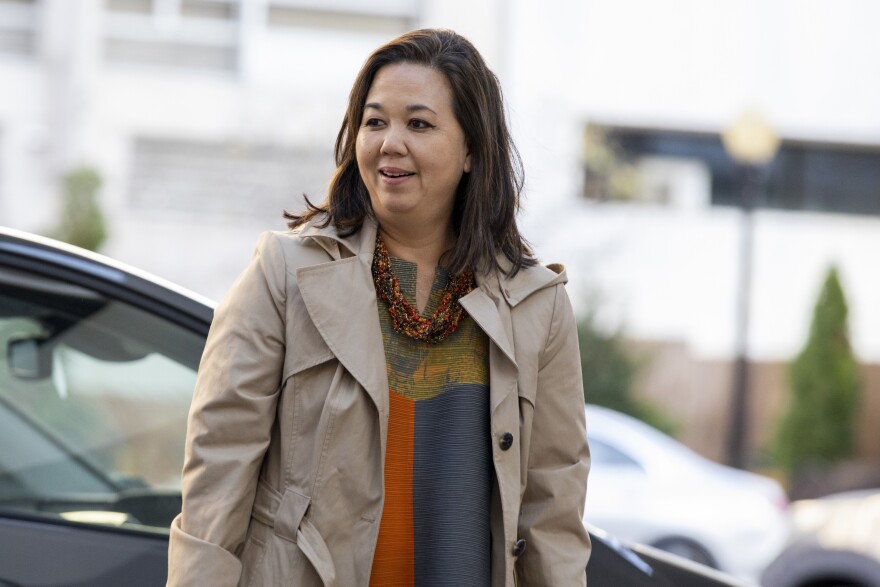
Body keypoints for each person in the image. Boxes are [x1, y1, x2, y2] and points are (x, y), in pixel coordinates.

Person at [167, 28, 590, 587]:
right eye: (374, 122)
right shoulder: (284, 274)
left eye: (419, 123)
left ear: (470, 150)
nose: (391, 142)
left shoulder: (536, 306)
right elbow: (217, 472)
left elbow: (552, 512)